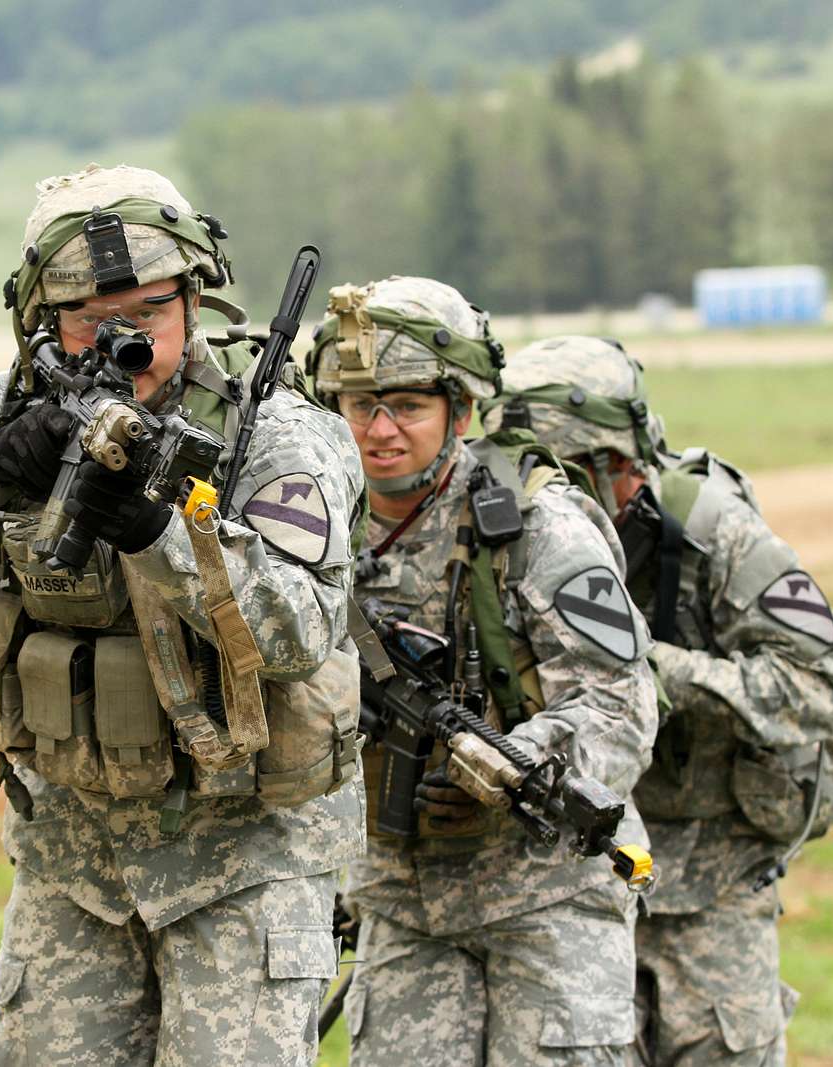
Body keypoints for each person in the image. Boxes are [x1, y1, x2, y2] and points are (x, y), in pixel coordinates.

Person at [0, 164, 366, 1065]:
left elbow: (299, 632)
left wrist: (163, 533)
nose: (125, 340)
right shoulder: (4, 409)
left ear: (194, 304)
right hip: (71, 864)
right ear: (41, 322)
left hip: (245, 865)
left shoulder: (276, 431)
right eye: (92, 318)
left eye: (151, 313)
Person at [480, 335, 833, 1066]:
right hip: (580, 871)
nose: (541, 492)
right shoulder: (510, 534)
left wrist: (666, 671)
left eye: (563, 474)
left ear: (620, 466)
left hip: (711, 878)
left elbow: (820, 691)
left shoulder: (717, 532)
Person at [308, 279, 658, 1065]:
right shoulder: (308, 522)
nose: (380, 429)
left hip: (549, 891)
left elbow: (621, 700)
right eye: (358, 404)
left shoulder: (535, 526)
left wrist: (514, 764)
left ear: (459, 412)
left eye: (408, 404)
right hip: (403, 902)